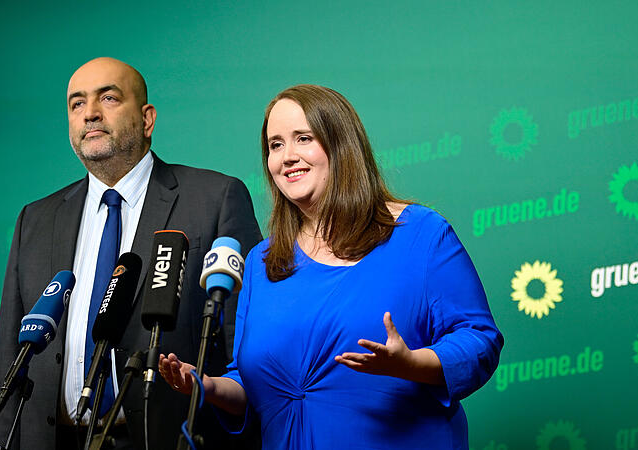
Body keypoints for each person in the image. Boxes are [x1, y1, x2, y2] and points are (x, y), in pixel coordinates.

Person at [160, 84, 503, 449]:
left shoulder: (420, 233)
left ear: (341, 144)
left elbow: (479, 340)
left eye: (303, 138)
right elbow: (252, 382)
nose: (287, 156)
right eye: (275, 145)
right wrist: (208, 386)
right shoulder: (261, 262)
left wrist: (412, 364)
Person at [0, 57, 262, 450]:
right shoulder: (35, 220)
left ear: (147, 119)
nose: (90, 113)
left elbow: (247, 347)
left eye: (109, 98)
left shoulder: (214, 200)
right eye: (77, 104)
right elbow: (10, 359)